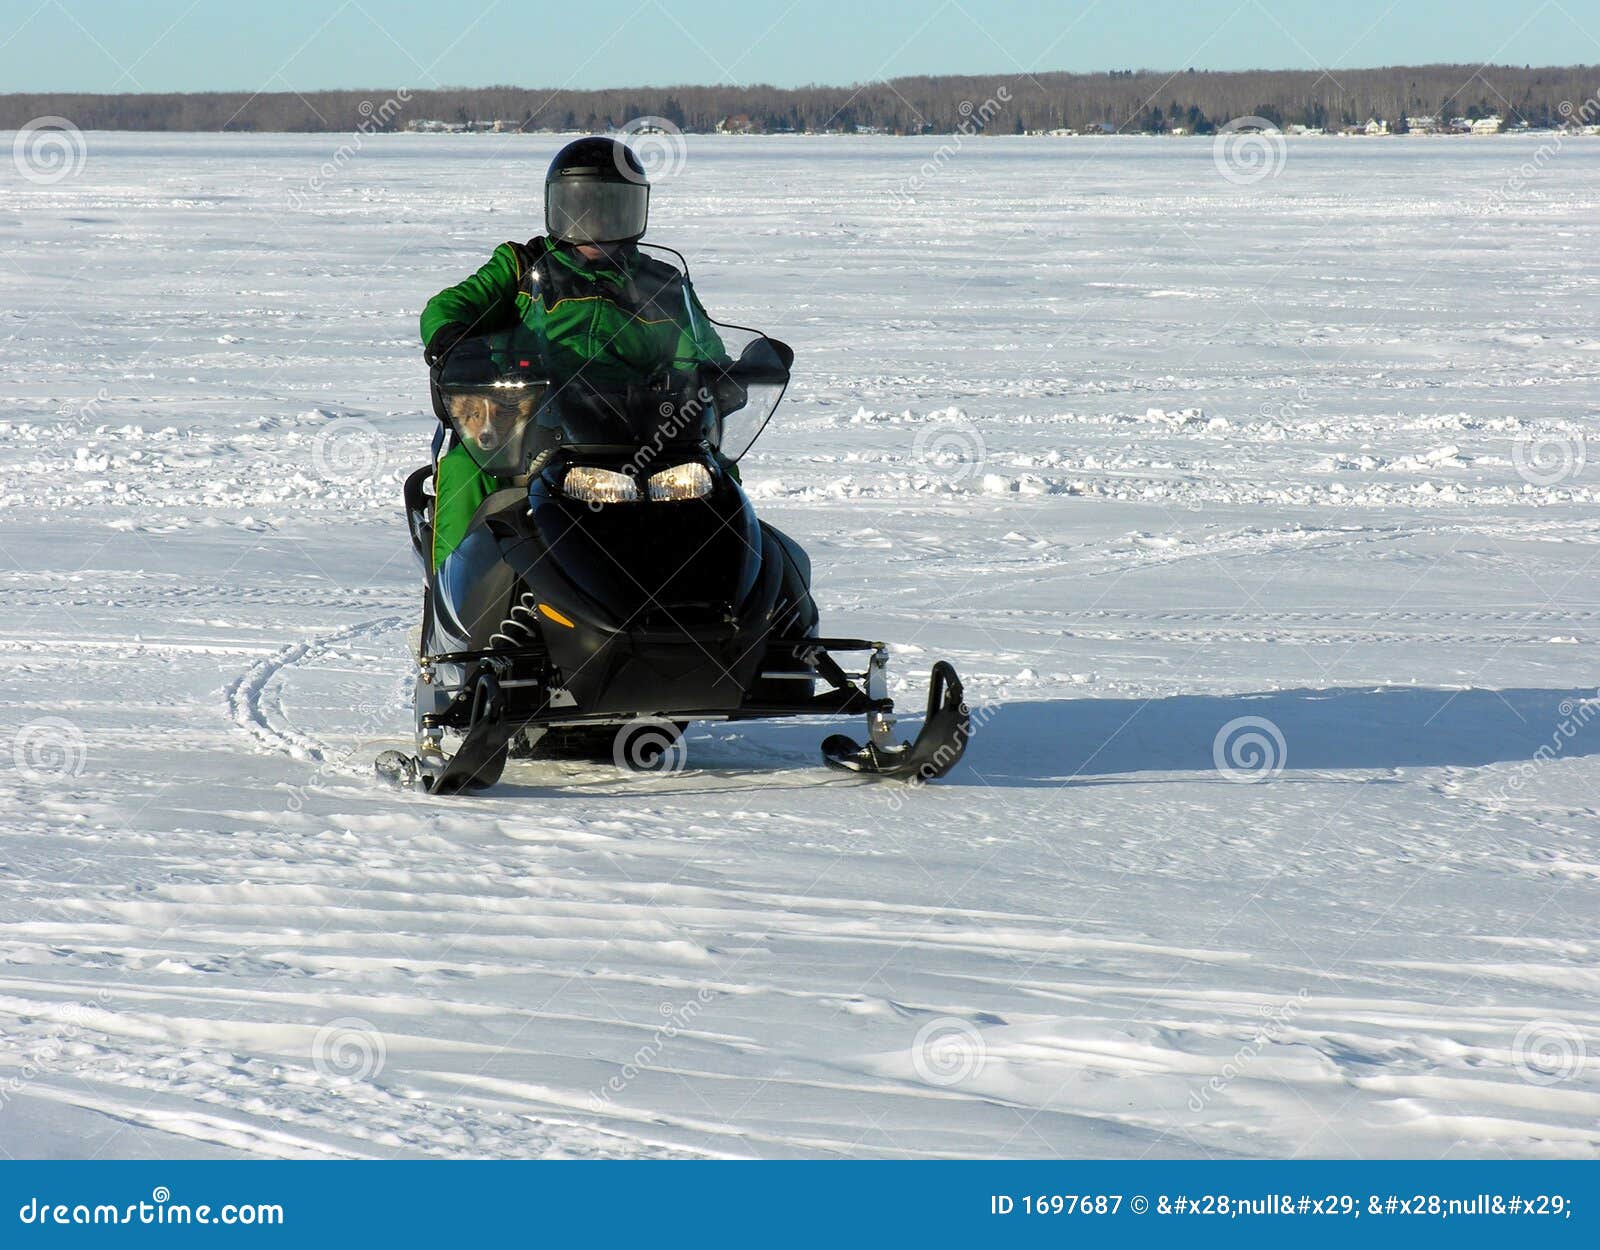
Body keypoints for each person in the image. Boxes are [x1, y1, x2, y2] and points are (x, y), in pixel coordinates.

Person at [418, 135, 727, 572]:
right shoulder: (521, 265)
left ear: (635, 212)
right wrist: (453, 341)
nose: (595, 224)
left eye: (611, 209)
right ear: (556, 208)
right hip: (528, 421)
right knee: (466, 469)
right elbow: (446, 308)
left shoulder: (663, 284)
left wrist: (721, 378)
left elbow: (701, 351)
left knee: (718, 475)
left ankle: (732, 594)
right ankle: (455, 598)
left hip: (638, 427)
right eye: (581, 207)